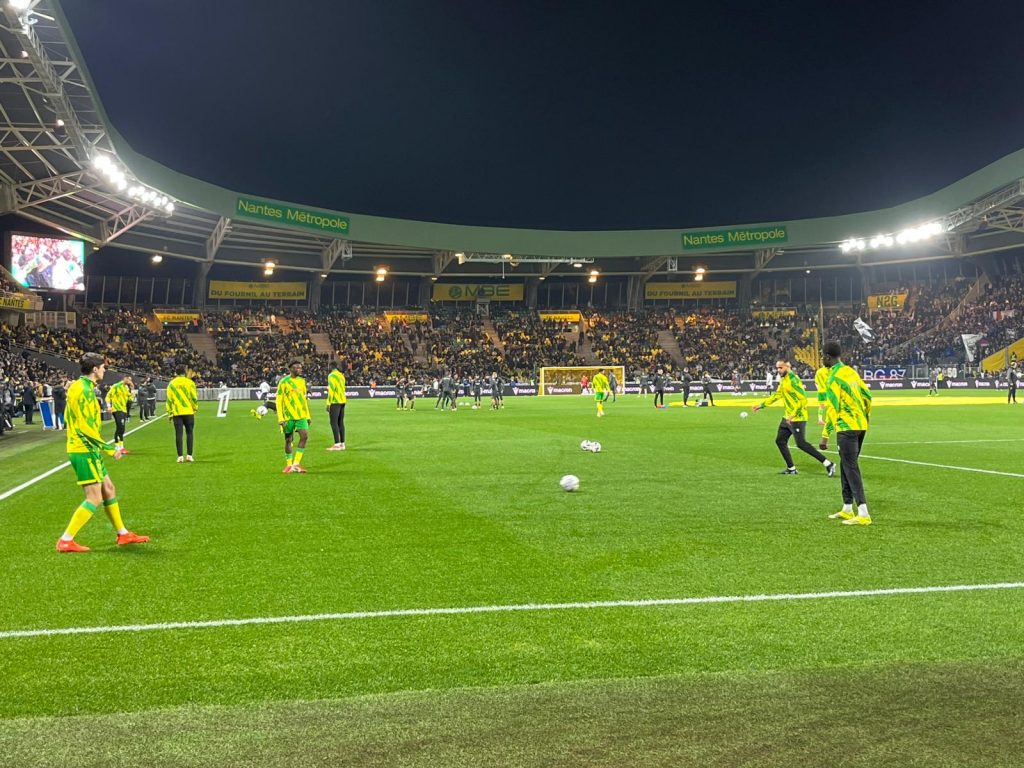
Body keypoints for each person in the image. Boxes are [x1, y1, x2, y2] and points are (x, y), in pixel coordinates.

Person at [56, 353, 148, 553]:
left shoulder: (80, 387)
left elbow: (70, 418)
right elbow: (84, 427)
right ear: (95, 369)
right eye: (103, 367)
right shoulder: (84, 390)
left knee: (109, 489)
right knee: (94, 497)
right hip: (84, 449)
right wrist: (108, 448)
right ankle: (66, 539)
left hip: (87, 447)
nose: (105, 370)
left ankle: (122, 534)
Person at [818, 341, 873, 526]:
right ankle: (847, 507)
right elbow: (867, 395)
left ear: (827, 357)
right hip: (860, 425)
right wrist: (866, 416)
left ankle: (863, 512)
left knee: (850, 467)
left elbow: (833, 407)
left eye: (822, 356)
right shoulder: (851, 372)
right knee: (845, 464)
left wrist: (825, 434)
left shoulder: (832, 378)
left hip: (846, 427)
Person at [752, 358, 836, 476]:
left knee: (801, 443)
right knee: (780, 440)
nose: (778, 370)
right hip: (787, 417)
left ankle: (828, 464)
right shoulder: (784, 380)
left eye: (780, 368)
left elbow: (803, 400)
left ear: (788, 366)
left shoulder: (794, 380)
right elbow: (777, 395)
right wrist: (761, 405)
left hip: (797, 417)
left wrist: (793, 414)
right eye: (777, 368)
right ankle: (791, 468)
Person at [277, 359, 311, 473]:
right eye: (297, 367)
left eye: (300, 367)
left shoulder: (302, 381)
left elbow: (304, 399)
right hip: (288, 416)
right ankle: (289, 464)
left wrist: (308, 415)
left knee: (304, 436)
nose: (299, 369)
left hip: (301, 415)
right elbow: (279, 400)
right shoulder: (284, 382)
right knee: (288, 440)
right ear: (291, 369)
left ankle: (296, 463)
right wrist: (281, 418)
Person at [166, 366, 198, 463]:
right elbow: (193, 397)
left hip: (177, 413)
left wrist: (169, 413)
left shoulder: (171, 384)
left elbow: (169, 400)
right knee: (190, 433)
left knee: (178, 434)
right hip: (188, 411)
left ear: (176, 372)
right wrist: (195, 407)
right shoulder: (190, 383)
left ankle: (180, 456)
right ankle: (189, 455)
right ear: (184, 372)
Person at [106, 375, 134, 454]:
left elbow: (130, 399)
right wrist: (109, 406)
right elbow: (108, 396)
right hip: (117, 409)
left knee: (122, 428)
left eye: (130, 380)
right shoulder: (116, 386)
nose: (130, 381)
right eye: (129, 379)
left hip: (123, 410)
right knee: (120, 427)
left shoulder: (126, 388)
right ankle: (118, 447)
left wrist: (132, 390)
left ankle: (121, 447)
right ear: (125, 378)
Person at [326, 359, 347, 451]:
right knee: (340, 422)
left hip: (335, 401)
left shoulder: (331, 375)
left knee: (333, 422)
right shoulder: (341, 375)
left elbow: (332, 390)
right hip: (342, 400)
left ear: (330, 367)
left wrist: (328, 403)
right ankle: (342, 444)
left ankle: (337, 444)